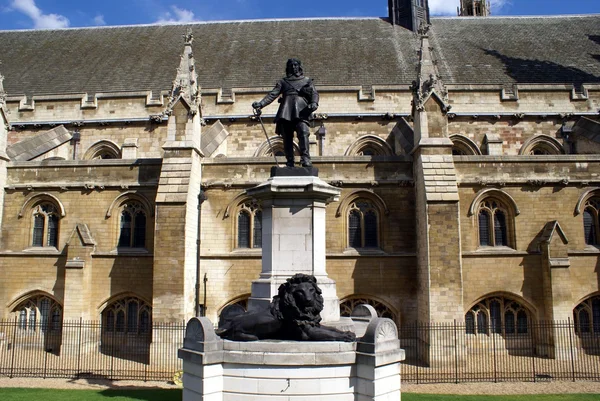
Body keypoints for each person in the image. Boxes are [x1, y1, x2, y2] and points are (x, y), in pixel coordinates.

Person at [252, 58, 319, 168]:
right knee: (287, 137)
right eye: (291, 65)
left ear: (299, 67)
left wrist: (314, 103)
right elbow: (272, 95)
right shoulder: (283, 82)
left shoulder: (306, 81)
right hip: (286, 111)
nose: (293, 67)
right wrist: (261, 104)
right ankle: (290, 161)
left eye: (295, 65)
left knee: (303, 133)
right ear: (288, 68)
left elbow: (314, 93)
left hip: (301, 111)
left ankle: (306, 158)